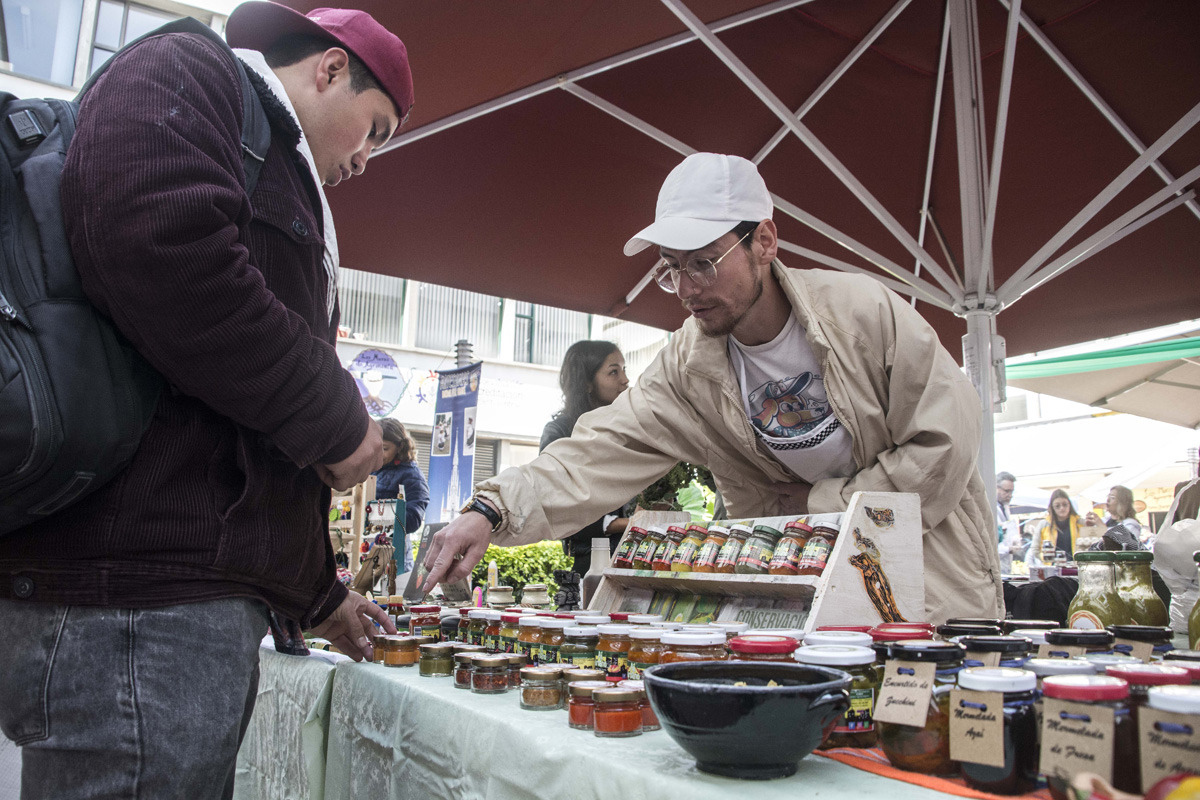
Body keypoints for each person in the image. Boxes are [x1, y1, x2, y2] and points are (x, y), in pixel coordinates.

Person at [0, 3, 412, 796]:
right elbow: (161, 246)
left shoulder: (266, 149)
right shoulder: (193, 68)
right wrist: (335, 417)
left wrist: (321, 595)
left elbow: (225, 442)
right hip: (135, 613)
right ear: (330, 68)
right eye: (376, 128)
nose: (367, 157)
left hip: (160, 611)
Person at [422, 152, 1002, 623]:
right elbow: (596, 451)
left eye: (702, 262)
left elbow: (946, 444)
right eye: (670, 267)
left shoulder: (864, 314)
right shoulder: (687, 364)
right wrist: (489, 510)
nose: (685, 288)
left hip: (933, 592)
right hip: (800, 602)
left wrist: (819, 507)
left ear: (765, 242)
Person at [540, 340, 634, 575]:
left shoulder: (627, 428)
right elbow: (557, 502)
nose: (625, 379)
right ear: (586, 383)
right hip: (591, 561)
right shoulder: (560, 432)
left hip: (635, 553)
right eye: (614, 371)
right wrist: (619, 523)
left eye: (624, 369)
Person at [372, 418, 431, 534]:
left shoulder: (412, 475)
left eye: (385, 449)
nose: (379, 453)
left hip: (391, 546)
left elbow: (414, 518)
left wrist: (374, 515)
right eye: (375, 447)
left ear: (400, 447)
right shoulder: (370, 470)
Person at [1027, 489, 1083, 563]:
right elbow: (1035, 549)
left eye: (1065, 504)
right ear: (1052, 508)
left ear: (1070, 505)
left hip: (1076, 567)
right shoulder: (1043, 524)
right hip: (1053, 568)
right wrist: (1045, 557)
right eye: (1057, 506)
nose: (1062, 508)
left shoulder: (1080, 522)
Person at [1085, 484, 1144, 549]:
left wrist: (1101, 527)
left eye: (1112, 497)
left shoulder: (1131, 524)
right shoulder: (1104, 520)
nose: (1108, 500)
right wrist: (1089, 528)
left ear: (1123, 503)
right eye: (1108, 496)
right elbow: (1086, 546)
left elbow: (1122, 547)